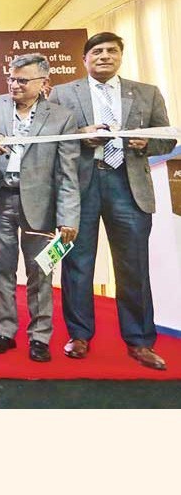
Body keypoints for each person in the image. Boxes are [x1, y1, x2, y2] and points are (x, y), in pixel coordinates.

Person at [50, 32, 177, 370]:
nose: (104, 56)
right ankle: (79, 336)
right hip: (81, 185)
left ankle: (139, 341)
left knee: (133, 266)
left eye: (111, 51)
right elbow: (49, 142)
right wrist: (81, 135)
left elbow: (165, 139)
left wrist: (144, 145)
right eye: (97, 51)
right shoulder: (62, 93)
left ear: (121, 56)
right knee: (77, 264)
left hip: (129, 184)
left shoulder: (147, 93)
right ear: (85, 59)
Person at [0, 53, 80, 362]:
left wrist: (68, 216)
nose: (14, 85)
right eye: (11, 78)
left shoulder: (62, 117)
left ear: (44, 83)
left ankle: (40, 337)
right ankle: (4, 331)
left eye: (22, 80)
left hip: (41, 204)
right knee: (2, 268)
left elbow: (67, 172)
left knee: (40, 271)